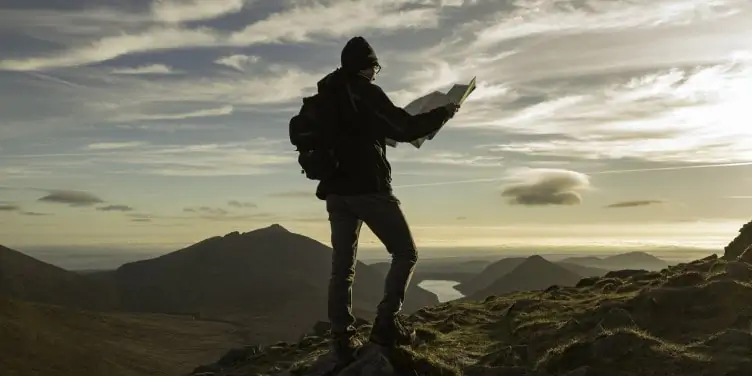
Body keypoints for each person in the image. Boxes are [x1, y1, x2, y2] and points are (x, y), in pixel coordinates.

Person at [313, 36, 460, 365]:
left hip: (336, 193)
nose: (376, 73)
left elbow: (361, 132)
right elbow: (406, 127)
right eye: (375, 67)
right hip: (368, 189)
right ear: (367, 66)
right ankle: (385, 324)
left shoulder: (329, 96)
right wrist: (445, 112)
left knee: (342, 269)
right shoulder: (363, 91)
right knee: (406, 252)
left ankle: (341, 337)